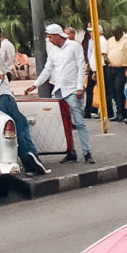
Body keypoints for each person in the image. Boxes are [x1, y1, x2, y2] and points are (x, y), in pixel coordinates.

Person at [0, 25, 47, 175]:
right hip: (1, 94)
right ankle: (30, 158)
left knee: (3, 130)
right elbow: (1, 73)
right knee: (21, 125)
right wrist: (3, 73)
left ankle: (10, 160)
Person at [36, 24, 93, 163]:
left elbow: (81, 66)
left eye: (50, 37)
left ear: (57, 35)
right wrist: (35, 84)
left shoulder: (74, 46)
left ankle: (87, 152)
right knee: (64, 124)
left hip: (73, 89)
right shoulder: (54, 51)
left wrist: (80, 87)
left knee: (79, 122)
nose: (50, 40)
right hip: (59, 90)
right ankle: (70, 151)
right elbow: (47, 69)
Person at [104, 26, 127, 122]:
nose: (115, 36)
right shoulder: (111, 40)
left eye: (117, 34)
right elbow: (105, 53)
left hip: (122, 68)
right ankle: (118, 112)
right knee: (112, 91)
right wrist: (106, 58)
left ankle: (122, 113)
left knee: (118, 88)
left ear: (121, 33)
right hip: (111, 68)